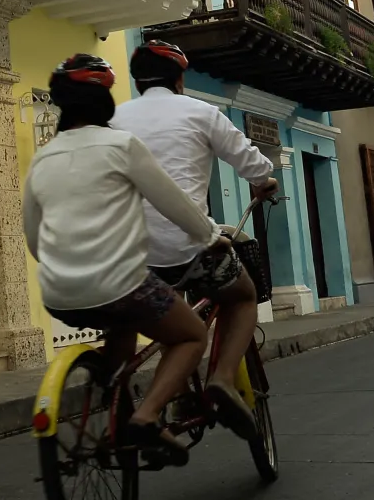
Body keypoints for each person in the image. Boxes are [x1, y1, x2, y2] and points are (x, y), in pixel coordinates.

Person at [22, 54, 231, 463]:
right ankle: (148, 416)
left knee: (118, 335)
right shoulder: (121, 145)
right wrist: (209, 236)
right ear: (104, 100)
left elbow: (34, 238)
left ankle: (115, 407)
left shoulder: (43, 158)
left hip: (59, 292)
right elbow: (174, 203)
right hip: (123, 286)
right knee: (191, 334)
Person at [112, 40, 276, 437]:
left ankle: (124, 409)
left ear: (138, 80)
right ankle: (220, 378)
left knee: (156, 314)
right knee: (242, 296)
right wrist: (263, 182)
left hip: (130, 255)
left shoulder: (113, 118)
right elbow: (254, 163)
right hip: (189, 249)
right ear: (180, 79)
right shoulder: (201, 112)